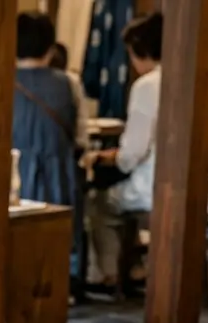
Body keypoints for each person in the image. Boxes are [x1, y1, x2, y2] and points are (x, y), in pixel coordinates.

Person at [83, 12, 161, 292]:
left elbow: (132, 155)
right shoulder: (189, 79)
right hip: (190, 187)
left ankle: (109, 274)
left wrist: (111, 157)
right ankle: (135, 265)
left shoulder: (147, 86)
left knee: (100, 204)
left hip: (151, 186)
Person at [11, 13, 83, 294]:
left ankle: (17, 286)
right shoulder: (68, 82)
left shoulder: (1, 81)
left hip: (14, 167)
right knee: (57, 229)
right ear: (51, 48)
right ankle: (57, 291)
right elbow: (81, 135)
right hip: (58, 168)